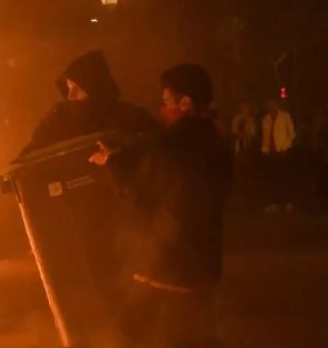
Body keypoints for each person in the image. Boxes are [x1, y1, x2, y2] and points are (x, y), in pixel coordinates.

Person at [92, 64, 232, 348]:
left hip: (169, 263)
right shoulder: (216, 141)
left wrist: (112, 162)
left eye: (166, 102)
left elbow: (143, 191)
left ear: (185, 103)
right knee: (194, 334)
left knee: (137, 331)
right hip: (203, 264)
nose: (161, 110)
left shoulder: (174, 144)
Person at [17, 50, 157, 157]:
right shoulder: (59, 120)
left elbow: (156, 152)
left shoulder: (130, 118)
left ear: (94, 87)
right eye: (69, 89)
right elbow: (30, 154)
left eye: (77, 89)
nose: (70, 96)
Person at [260, 99, 296, 213]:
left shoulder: (285, 116)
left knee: (284, 178)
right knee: (272, 178)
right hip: (270, 153)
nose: (271, 105)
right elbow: (265, 136)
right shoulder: (265, 119)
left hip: (282, 151)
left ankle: (287, 202)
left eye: (273, 103)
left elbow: (292, 134)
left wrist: (285, 147)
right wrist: (265, 149)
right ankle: (274, 203)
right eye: (269, 104)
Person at [230, 103, 258, 211]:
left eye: (248, 109)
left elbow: (252, 133)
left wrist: (247, 133)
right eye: (244, 108)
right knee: (240, 175)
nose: (246, 110)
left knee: (248, 175)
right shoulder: (237, 119)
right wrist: (240, 134)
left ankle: (249, 200)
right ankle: (241, 200)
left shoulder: (251, 120)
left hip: (248, 150)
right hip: (240, 150)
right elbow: (234, 130)